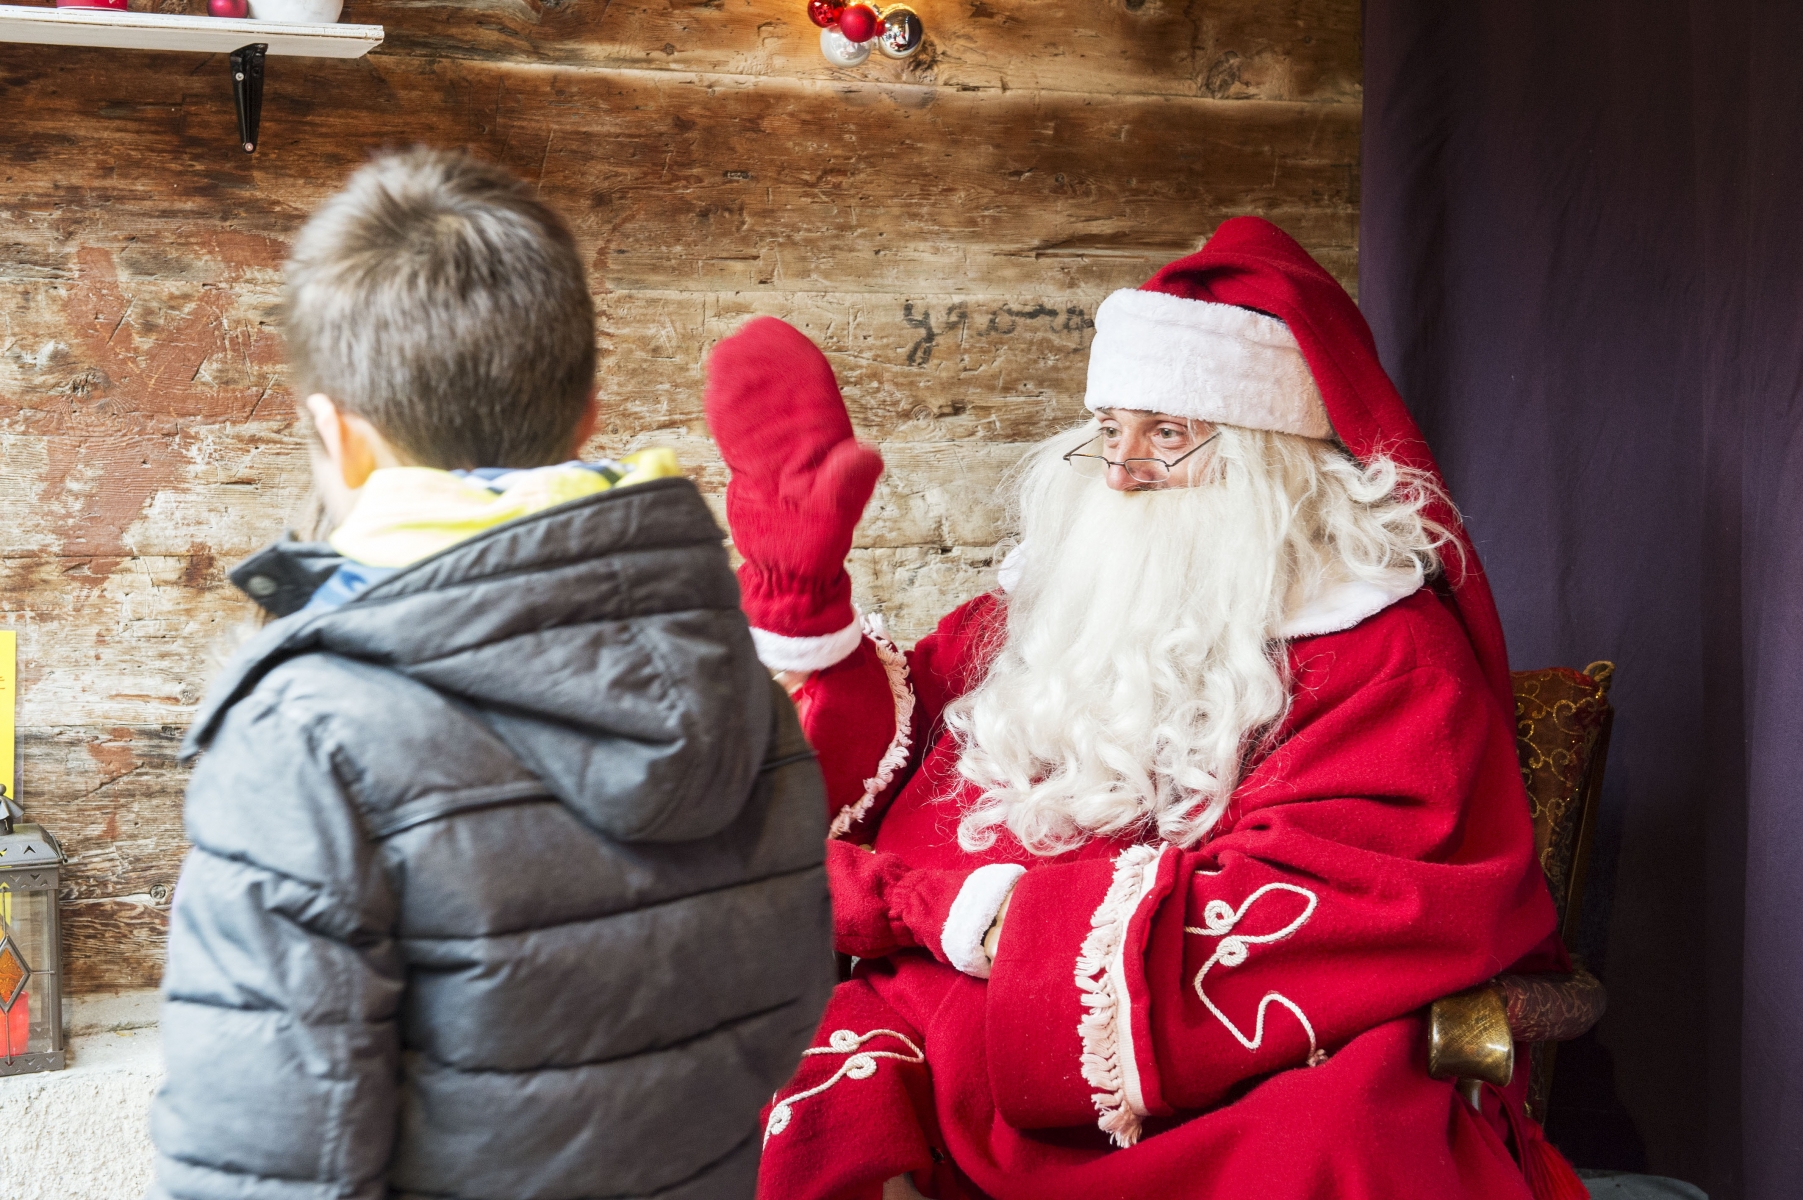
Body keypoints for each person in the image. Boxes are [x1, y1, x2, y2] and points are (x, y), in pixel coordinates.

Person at [703, 217, 1586, 1200]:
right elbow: (913, 748)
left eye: (1166, 434)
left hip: (1203, 1056)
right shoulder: (1063, 592)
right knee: (784, 1079)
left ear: (1270, 458)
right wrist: (807, 610)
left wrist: (968, 914)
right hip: (954, 1008)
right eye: (1108, 430)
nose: (1121, 472)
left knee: (1331, 1141)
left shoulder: (1388, 652)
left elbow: (1342, 905)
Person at [148, 148, 834, 1200]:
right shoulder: (736, 678)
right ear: (589, 412)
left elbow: (270, 1161)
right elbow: (782, 1014)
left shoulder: (300, 735)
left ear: (340, 437)